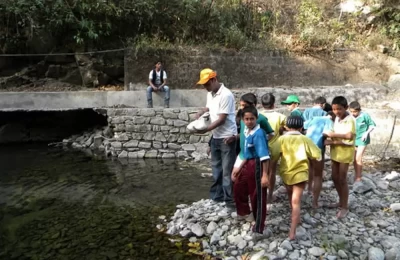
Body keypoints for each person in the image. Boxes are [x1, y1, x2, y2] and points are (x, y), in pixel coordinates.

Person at [195, 68, 237, 209]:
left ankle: (230, 201)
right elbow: (209, 109)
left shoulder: (226, 95)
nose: (205, 87)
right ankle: (216, 198)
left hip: (227, 138)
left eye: (207, 84)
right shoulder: (210, 93)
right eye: (203, 85)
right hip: (216, 137)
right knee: (216, 170)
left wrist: (205, 130)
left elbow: (222, 119)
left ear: (214, 80)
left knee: (227, 171)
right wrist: (201, 112)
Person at [277, 116, 321, 240]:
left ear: (286, 127)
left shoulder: (281, 139)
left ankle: (295, 220)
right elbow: (317, 155)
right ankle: (292, 231)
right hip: (301, 174)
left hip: (286, 173)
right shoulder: (305, 139)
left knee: (291, 197)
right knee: (296, 201)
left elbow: (274, 154)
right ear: (302, 127)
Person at [231, 106, 270, 240]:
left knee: (257, 196)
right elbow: (246, 154)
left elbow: (265, 156)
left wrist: (265, 175)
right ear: (242, 120)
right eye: (246, 119)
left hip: (257, 165)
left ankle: (259, 228)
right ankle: (244, 213)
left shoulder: (259, 134)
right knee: (238, 186)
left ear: (256, 119)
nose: (249, 121)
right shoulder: (247, 131)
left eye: (251, 119)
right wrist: (238, 168)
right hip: (247, 163)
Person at [324, 96, 355, 219]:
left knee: (342, 179)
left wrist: (333, 137)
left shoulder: (350, 120)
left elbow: (349, 137)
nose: (337, 111)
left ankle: (345, 207)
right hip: (336, 152)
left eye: (339, 109)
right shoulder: (336, 118)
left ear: (346, 108)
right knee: (334, 177)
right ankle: (341, 201)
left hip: (345, 153)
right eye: (334, 109)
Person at [259, 93, 287, 203]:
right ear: (274, 104)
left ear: (261, 104)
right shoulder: (281, 116)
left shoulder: (258, 115)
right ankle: (269, 196)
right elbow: (287, 128)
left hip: (261, 146)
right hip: (275, 146)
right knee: (272, 172)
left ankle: (260, 195)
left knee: (260, 171)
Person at [304, 112, 335, 208]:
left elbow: (305, 126)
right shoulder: (329, 121)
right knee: (318, 175)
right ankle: (315, 202)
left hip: (306, 146)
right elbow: (328, 134)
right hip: (318, 149)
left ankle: (309, 189)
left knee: (310, 168)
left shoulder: (314, 118)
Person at [349, 101, 376, 182]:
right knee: (354, 158)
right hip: (353, 139)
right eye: (351, 111)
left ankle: (358, 177)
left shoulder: (365, 116)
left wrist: (366, 133)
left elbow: (372, 125)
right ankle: (357, 173)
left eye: (355, 111)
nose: (353, 113)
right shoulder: (350, 117)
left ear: (359, 110)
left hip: (362, 139)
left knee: (358, 157)